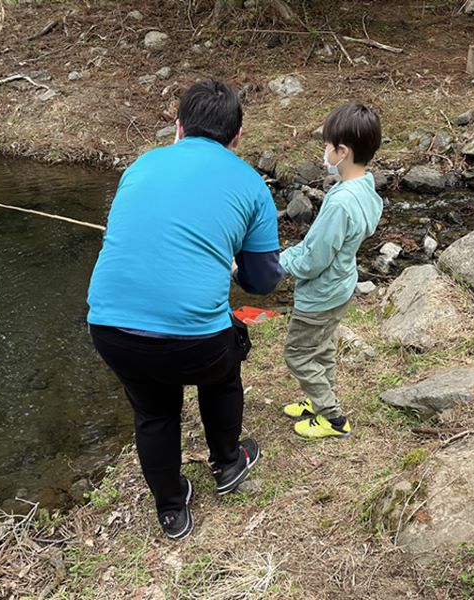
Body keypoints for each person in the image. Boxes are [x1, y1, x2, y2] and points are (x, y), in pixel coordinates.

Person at [87, 79, 284, 540]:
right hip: (195, 342)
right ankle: (228, 462)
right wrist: (234, 265)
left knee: (154, 412)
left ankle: (171, 508)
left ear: (177, 128)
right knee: (224, 365)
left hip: (109, 328)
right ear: (237, 137)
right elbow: (263, 282)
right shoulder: (251, 185)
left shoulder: (140, 166)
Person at [279, 102, 383, 439]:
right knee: (322, 347)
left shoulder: (340, 203)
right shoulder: (365, 187)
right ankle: (318, 397)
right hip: (341, 285)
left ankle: (333, 418)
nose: (324, 153)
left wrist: (278, 262)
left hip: (320, 294)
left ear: (343, 151)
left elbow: (312, 260)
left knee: (297, 353)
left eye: (327, 147)